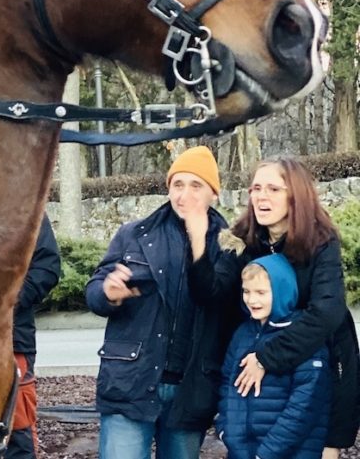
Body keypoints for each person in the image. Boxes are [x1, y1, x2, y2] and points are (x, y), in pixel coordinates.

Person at [189, 157, 360, 459]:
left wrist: (267, 357)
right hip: (261, 395)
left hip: (319, 370)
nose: (261, 196)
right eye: (256, 188)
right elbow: (215, 295)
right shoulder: (242, 240)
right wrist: (199, 248)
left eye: (273, 189)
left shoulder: (320, 240)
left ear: (296, 195)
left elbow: (327, 311)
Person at [85, 146, 237, 459]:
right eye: (177, 185)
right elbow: (95, 291)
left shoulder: (230, 244)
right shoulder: (134, 234)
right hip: (130, 383)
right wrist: (107, 293)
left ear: (214, 194)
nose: (185, 194)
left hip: (189, 390)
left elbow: (222, 302)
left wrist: (198, 242)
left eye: (196, 186)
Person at [216, 255, 330, 459]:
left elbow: (305, 404)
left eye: (261, 292)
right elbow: (226, 382)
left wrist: (267, 453)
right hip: (241, 451)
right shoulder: (243, 333)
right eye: (246, 291)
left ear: (281, 291)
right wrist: (225, 430)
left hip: (289, 453)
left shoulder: (301, 334)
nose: (252, 300)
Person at [6, 213, 61, 459]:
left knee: (18, 428)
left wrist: (7, 303)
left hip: (13, 342)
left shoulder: (27, 206)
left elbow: (47, 266)